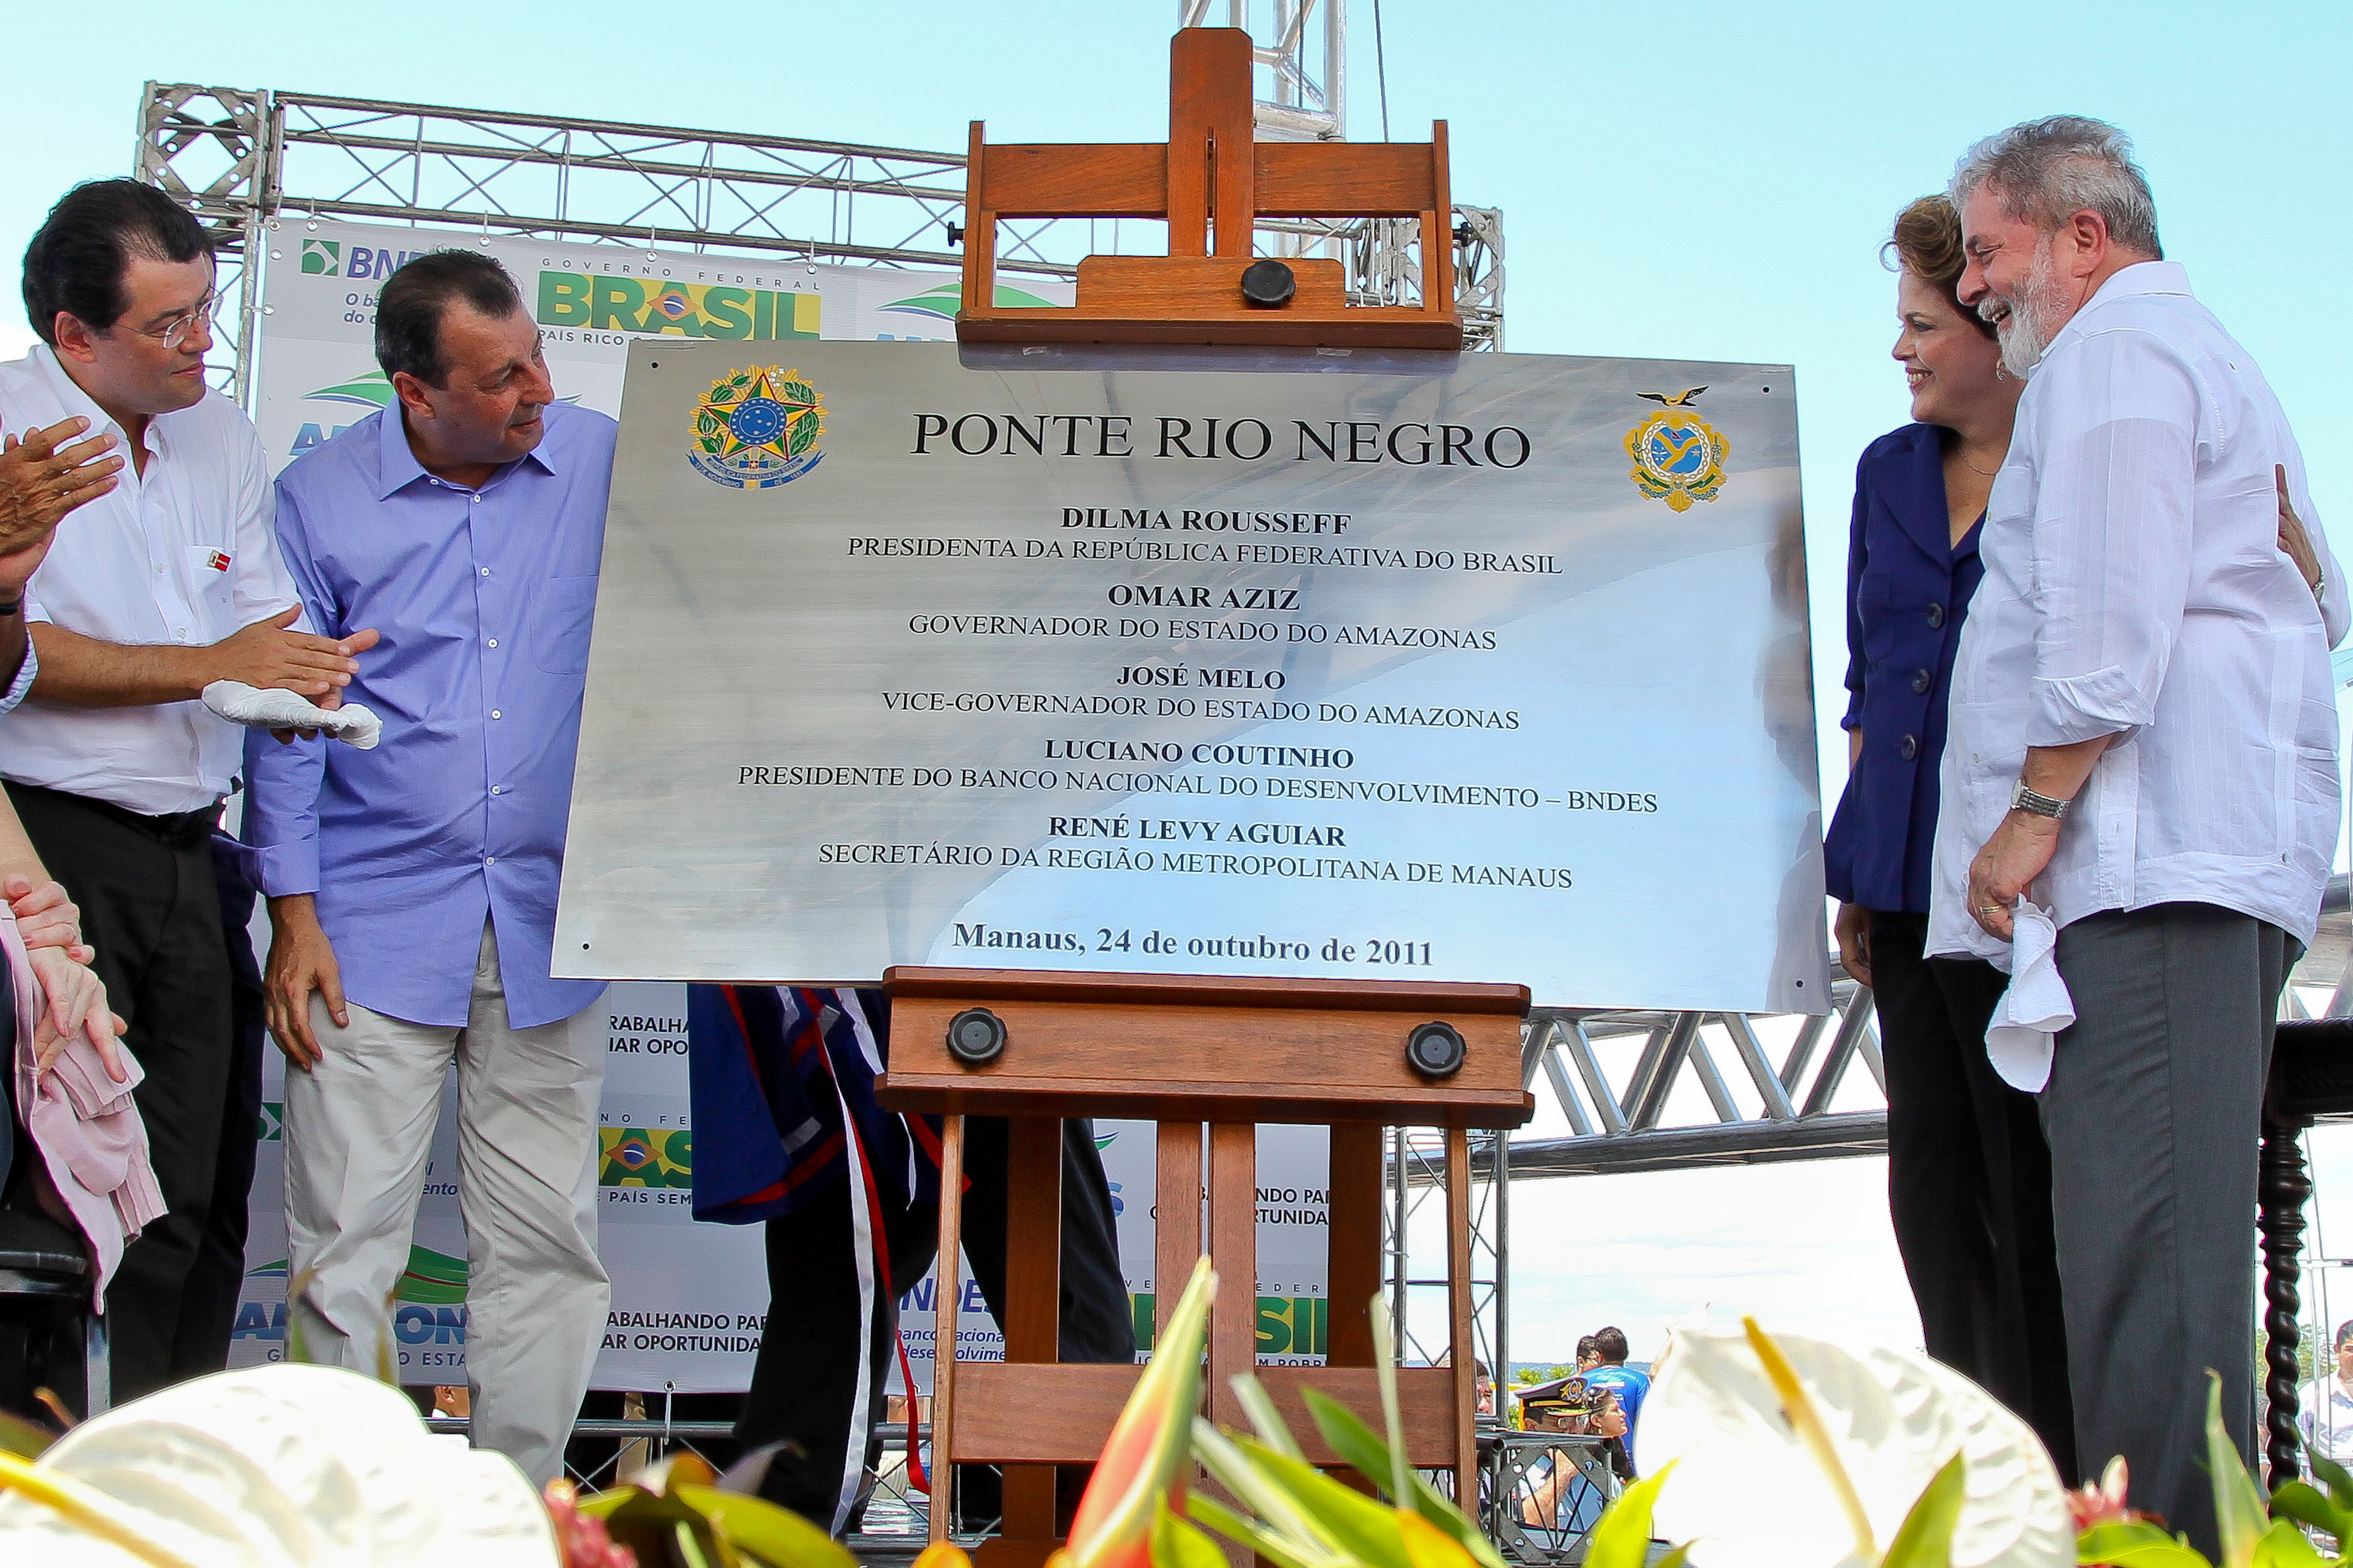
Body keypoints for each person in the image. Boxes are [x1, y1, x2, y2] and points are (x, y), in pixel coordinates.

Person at [1930, 116, 2344, 1554]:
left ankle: (2166, 1543)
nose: (1975, 285)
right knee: (2149, 1261)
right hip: (2201, 853)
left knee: (2143, 1270)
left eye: (1988, 249)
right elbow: (2314, 591)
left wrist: (2029, 815)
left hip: (2147, 861)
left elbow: (2105, 623)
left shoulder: (2111, 358)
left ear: (2080, 238)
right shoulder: (2209, 358)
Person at [242, 248, 611, 1488]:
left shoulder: (610, 463)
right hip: (366, 924)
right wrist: (293, 913)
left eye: (541, 357)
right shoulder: (317, 498)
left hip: (555, 925)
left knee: (547, 1242)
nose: (538, 392)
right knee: (346, 1247)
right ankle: (357, 1519)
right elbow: (289, 712)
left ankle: (522, 1508)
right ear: (413, 388)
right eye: (503, 375)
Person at [0, 179, 372, 1402]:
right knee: (56, 1198)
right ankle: (45, 1489)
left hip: (194, 855)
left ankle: (166, 1482)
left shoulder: (220, 431)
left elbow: (261, 617)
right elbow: (19, 661)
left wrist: (308, 668)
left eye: (206, 310)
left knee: (195, 1195)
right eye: (168, 325)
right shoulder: (11, 437)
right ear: (73, 336)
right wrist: (218, 666)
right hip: (47, 855)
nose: (201, 343)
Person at [1823, 194, 2074, 1475]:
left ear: (1988, 328)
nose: (1903, 350)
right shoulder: (1886, 471)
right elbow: (1871, 673)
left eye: (1922, 324)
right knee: (1928, 1179)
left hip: (2020, 886)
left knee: (2024, 1175)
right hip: (1905, 875)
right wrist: (1857, 866)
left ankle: (2056, 1465)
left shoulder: (2066, 460)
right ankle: (1976, 1455)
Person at [689, 984, 1136, 1534]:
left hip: (1013, 986)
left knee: (1068, 1297)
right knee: (831, 1283)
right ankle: (780, 1534)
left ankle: (1105, 1525)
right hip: (856, 998)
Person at [1576, 1326, 1650, 1445]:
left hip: (1592, 1453)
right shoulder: (1639, 1381)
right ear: (1626, 1354)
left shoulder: (1583, 1381)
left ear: (1599, 1356)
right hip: (1631, 1455)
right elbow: (1647, 1421)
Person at [2302, 1320, 2353, 1475]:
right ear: (2337, 1350)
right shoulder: (2313, 1395)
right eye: (2351, 1349)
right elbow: (2297, 1450)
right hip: (2331, 1494)